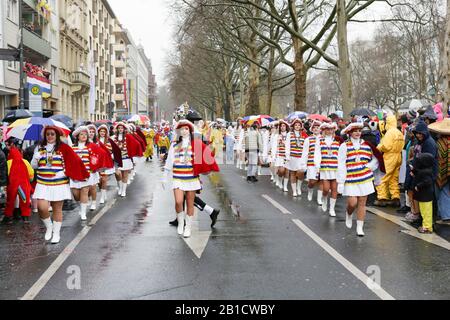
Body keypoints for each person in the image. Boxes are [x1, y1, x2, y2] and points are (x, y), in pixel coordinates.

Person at [32, 126, 89, 243]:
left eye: (52, 134)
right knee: (42, 208)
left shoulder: (64, 148)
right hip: (43, 183)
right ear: (45, 135)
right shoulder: (39, 148)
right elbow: (34, 167)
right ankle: (49, 227)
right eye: (48, 134)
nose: (50, 136)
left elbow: (74, 163)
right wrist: (35, 158)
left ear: (57, 136)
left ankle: (56, 233)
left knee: (57, 209)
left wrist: (63, 172)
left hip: (59, 183)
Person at [162, 120, 219, 238]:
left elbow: (204, 158)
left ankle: (188, 227)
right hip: (177, 177)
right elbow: (169, 162)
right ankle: (181, 223)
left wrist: (205, 169)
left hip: (191, 178)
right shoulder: (174, 144)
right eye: (182, 129)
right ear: (178, 131)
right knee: (178, 201)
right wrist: (164, 177)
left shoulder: (196, 144)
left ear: (190, 130)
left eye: (186, 129)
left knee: (189, 203)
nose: (184, 131)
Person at [337, 123, 379, 237]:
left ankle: (360, 227)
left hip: (364, 177)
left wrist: (369, 166)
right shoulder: (344, 146)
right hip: (350, 177)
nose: (357, 133)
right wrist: (340, 182)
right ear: (350, 133)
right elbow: (341, 164)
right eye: (355, 131)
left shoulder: (367, 145)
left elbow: (376, 159)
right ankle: (349, 213)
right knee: (352, 202)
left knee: (362, 203)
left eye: (359, 131)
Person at [70, 126, 107, 221]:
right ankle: (82, 205)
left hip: (87, 174)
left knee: (85, 191)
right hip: (75, 175)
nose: (84, 136)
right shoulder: (72, 148)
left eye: (85, 134)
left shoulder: (91, 146)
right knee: (76, 194)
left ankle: (83, 212)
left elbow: (101, 154)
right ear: (77, 136)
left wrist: (96, 166)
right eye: (82, 134)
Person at [374, 115, 405, 208]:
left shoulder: (390, 133)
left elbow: (386, 146)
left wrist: (379, 147)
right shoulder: (399, 132)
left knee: (382, 177)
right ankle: (395, 198)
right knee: (393, 178)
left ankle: (382, 198)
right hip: (398, 156)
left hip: (390, 156)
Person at [1, 141, 34, 224]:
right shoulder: (25, 161)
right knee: (24, 200)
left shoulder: (8, 162)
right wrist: (30, 180)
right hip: (23, 185)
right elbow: (31, 173)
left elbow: (6, 174)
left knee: (10, 201)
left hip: (13, 185)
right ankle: (25, 217)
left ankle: (8, 217)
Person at [315, 122, 340, 217]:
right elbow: (317, 154)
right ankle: (324, 198)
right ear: (324, 130)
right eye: (327, 129)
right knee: (325, 189)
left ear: (333, 130)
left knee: (334, 189)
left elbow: (341, 155)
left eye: (331, 129)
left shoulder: (337, 140)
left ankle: (332, 209)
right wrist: (317, 165)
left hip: (335, 168)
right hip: (325, 168)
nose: (329, 131)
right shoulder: (320, 140)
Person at [301, 120, 323, 204]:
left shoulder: (323, 139)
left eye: (318, 127)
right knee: (312, 181)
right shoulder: (308, 139)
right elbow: (305, 152)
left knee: (321, 181)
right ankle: (310, 190)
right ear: (312, 129)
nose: (316, 129)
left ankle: (319, 199)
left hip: (322, 163)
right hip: (311, 163)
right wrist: (304, 164)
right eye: (314, 128)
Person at [285, 118, 307, 197]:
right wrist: (287, 155)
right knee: (293, 173)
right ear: (293, 126)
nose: (297, 126)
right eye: (296, 125)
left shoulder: (304, 134)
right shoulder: (289, 134)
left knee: (301, 173)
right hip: (292, 157)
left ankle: (298, 187)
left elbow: (306, 146)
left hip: (301, 157)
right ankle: (294, 190)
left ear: (301, 126)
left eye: (299, 125)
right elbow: (287, 145)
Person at [272, 120, 290, 192]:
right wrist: (273, 156)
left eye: (284, 126)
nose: (282, 127)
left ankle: (285, 186)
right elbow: (274, 146)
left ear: (286, 127)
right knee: (281, 170)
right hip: (279, 155)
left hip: (287, 156)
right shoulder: (277, 136)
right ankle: (279, 180)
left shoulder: (289, 135)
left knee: (287, 171)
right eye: (281, 126)